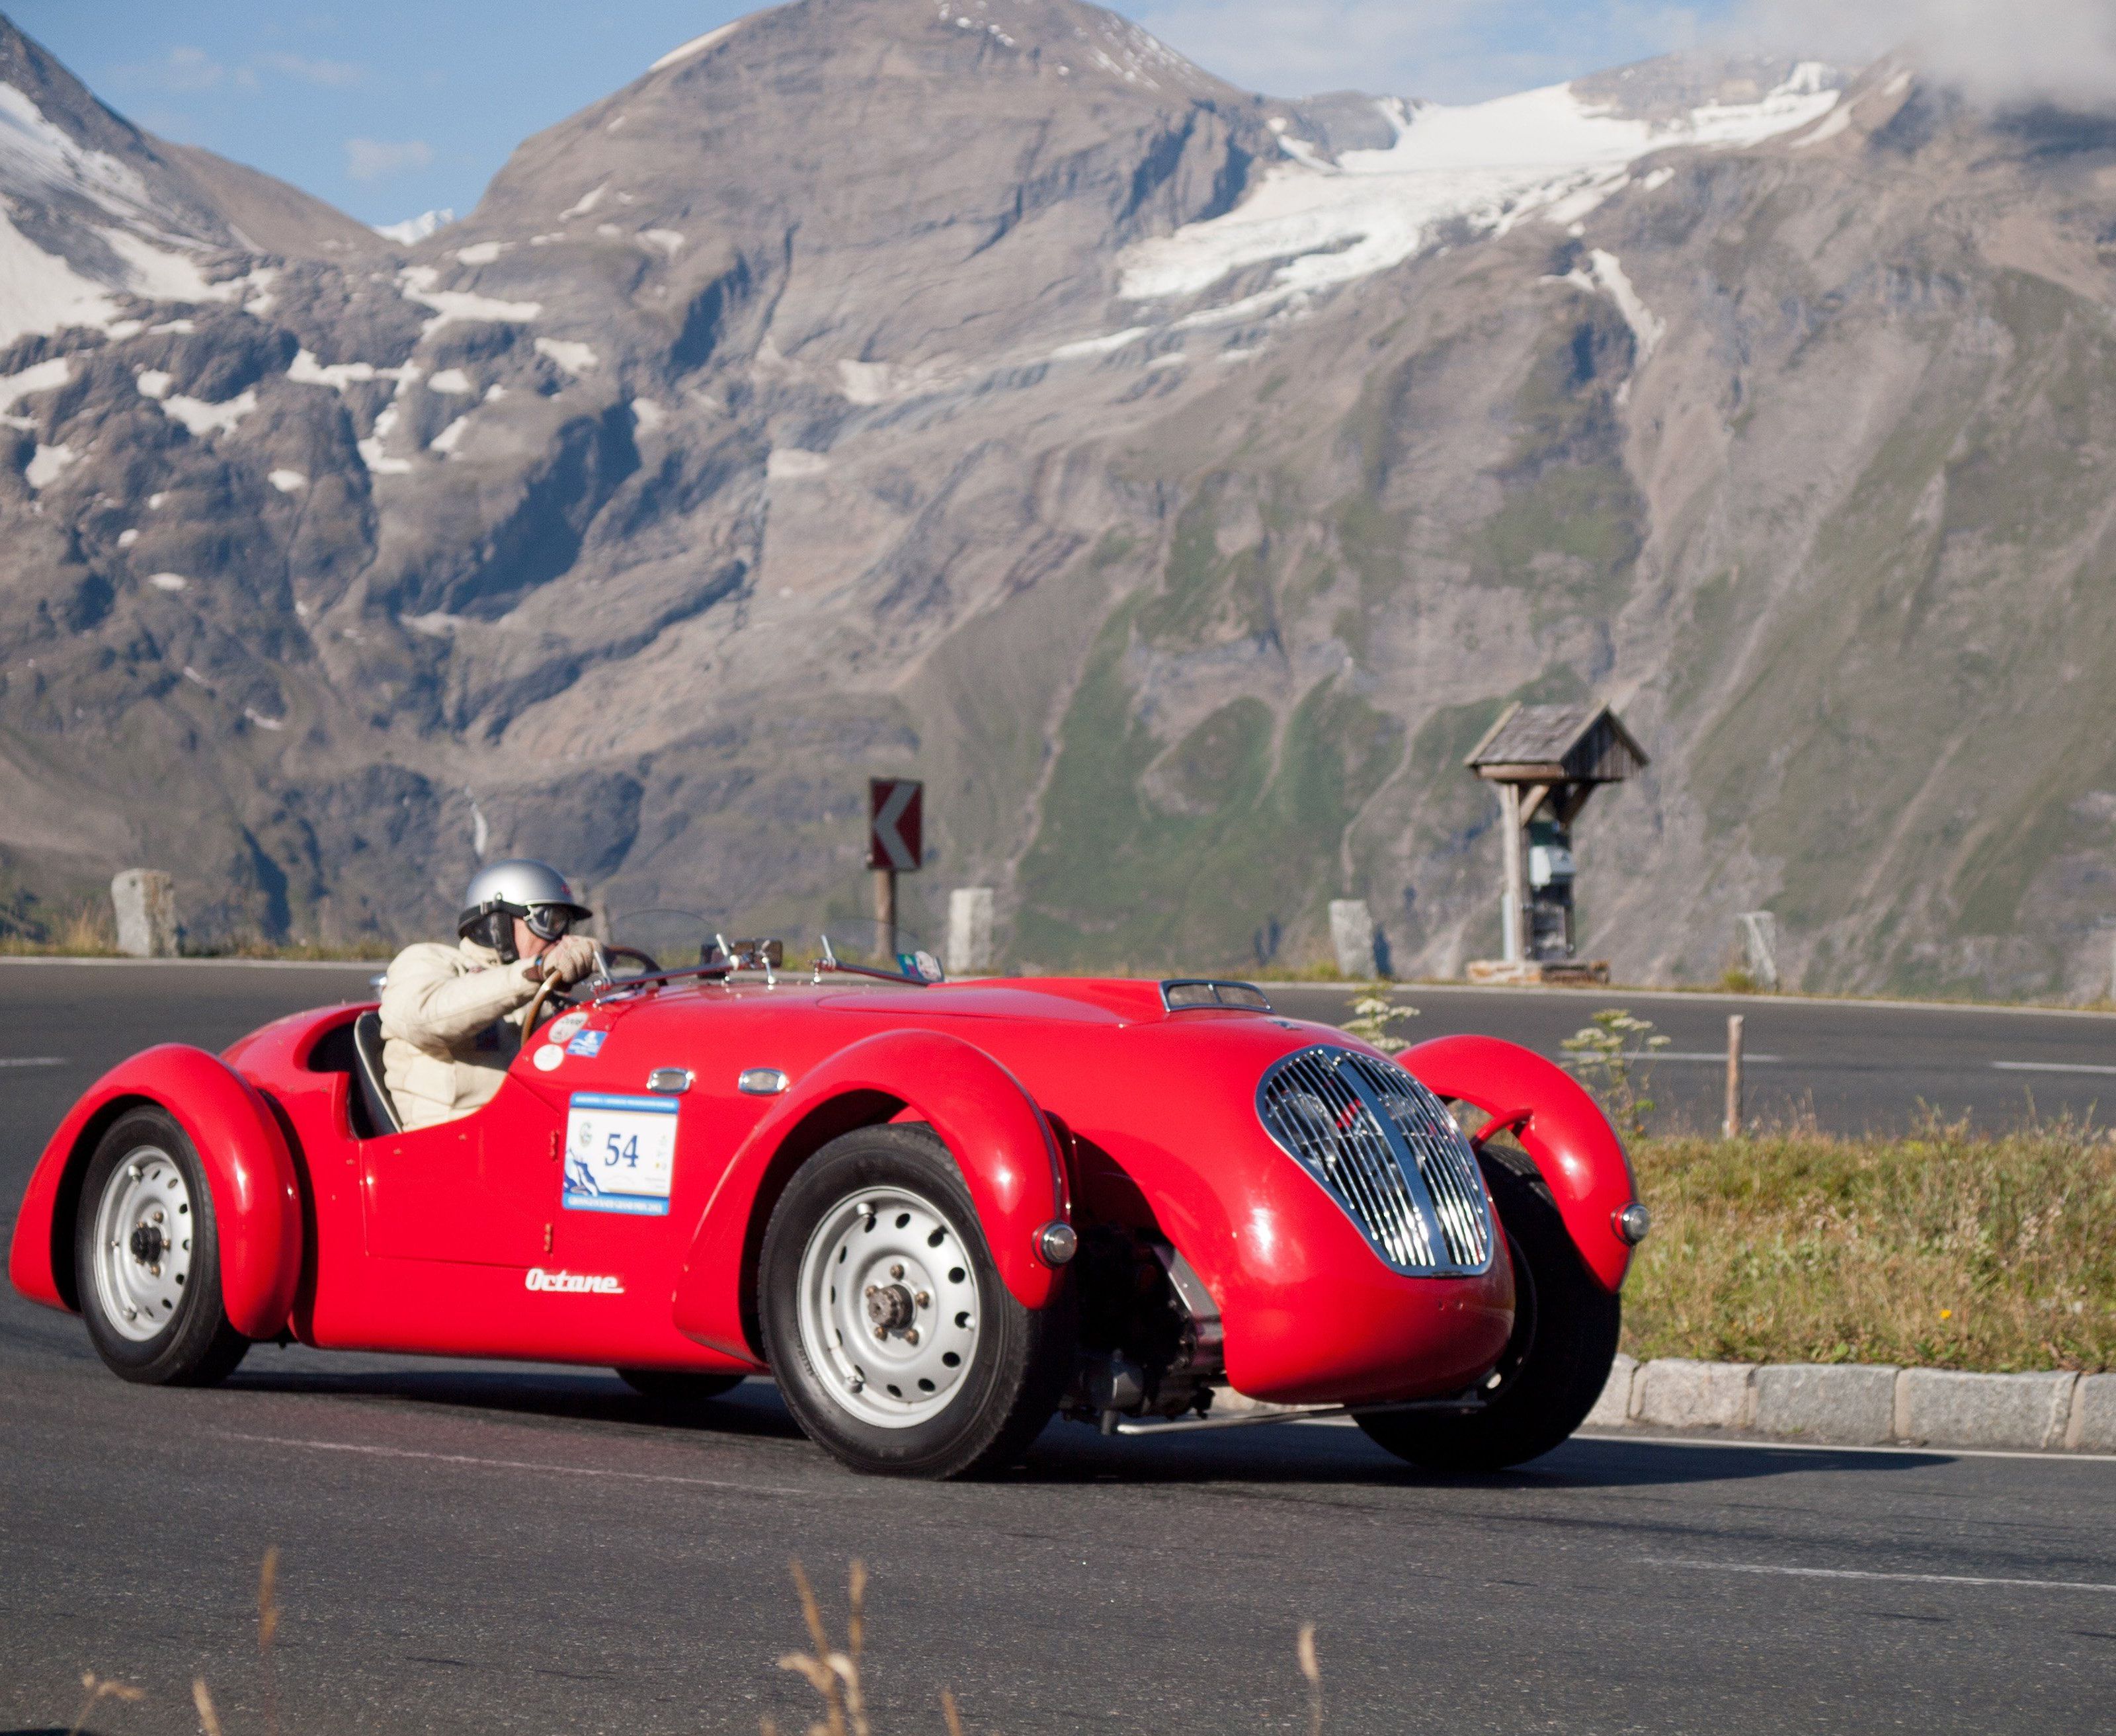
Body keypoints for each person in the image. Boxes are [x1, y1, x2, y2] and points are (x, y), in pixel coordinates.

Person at [379, 859, 600, 1131]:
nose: (560, 938)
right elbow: (424, 1018)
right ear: (497, 923)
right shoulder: (430, 960)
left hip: (534, 1135)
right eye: (549, 922)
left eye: (566, 926)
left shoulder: (537, 990)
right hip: (451, 1147)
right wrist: (537, 971)